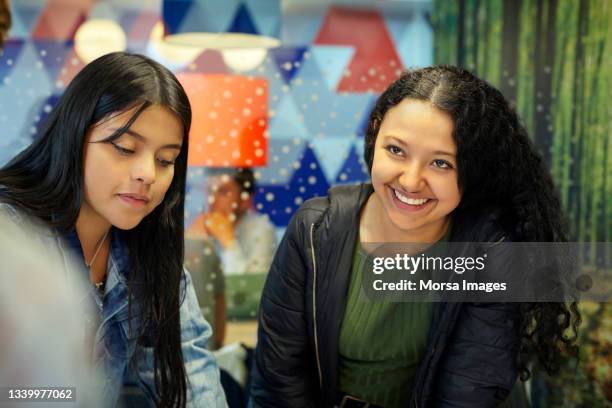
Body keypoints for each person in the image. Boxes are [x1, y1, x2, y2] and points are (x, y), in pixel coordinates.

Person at [249, 66, 580, 407]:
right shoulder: (314, 230)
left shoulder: (490, 250)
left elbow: (466, 394)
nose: (410, 181)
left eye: (441, 164)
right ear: (375, 134)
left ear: (472, 171)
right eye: (396, 150)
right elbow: (280, 383)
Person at [0, 52, 226, 407]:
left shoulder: (150, 249)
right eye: (124, 148)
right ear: (74, 137)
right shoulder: (11, 240)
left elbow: (191, 376)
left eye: (166, 160)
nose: (147, 174)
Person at [190, 168, 277, 275]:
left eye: (223, 192)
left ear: (246, 200)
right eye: (209, 190)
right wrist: (192, 244)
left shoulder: (262, 230)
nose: (212, 199)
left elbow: (250, 288)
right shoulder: (198, 226)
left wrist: (228, 242)